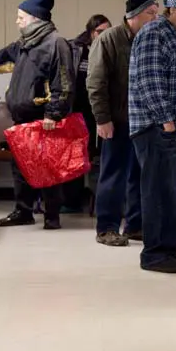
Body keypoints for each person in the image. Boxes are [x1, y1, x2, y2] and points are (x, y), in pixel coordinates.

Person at [0, 0, 75, 230]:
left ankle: (51, 216)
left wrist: (53, 114)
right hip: (20, 118)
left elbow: (64, 83)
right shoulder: (24, 44)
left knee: (48, 167)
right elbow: (1, 56)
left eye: (20, 17)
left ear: (35, 19)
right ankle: (23, 211)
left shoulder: (56, 43)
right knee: (20, 165)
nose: (17, 21)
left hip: (43, 118)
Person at [129, 0, 176, 274]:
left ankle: (170, 249)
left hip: (174, 129)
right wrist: (166, 120)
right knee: (160, 192)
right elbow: (150, 79)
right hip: (158, 129)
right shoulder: (154, 33)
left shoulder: (174, 37)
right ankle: (155, 254)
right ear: (172, 10)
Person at [87, 0, 158, 247]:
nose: (155, 18)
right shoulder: (108, 40)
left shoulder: (150, 40)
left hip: (143, 122)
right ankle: (106, 227)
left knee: (139, 175)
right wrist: (102, 119)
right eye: (150, 13)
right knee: (113, 175)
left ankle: (135, 225)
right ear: (134, 15)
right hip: (115, 121)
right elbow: (96, 83)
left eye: (156, 13)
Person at [61, 14, 111, 214]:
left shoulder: (110, 48)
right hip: (76, 111)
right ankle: (71, 200)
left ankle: (99, 199)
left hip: (98, 112)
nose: (103, 35)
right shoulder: (76, 48)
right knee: (74, 158)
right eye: (100, 31)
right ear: (91, 32)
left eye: (107, 31)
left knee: (96, 157)